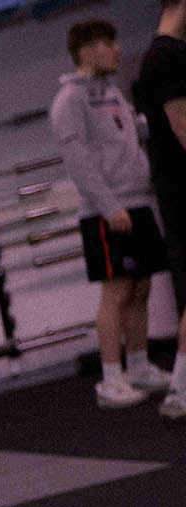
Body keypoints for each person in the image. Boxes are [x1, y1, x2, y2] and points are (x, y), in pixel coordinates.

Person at [52, 18, 172, 408]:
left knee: (141, 288)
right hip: (108, 210)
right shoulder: (70, 101)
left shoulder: (112, 92)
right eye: (110, 43)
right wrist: (110, 206)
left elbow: (132, 132)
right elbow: (79, 162)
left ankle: (138, 366)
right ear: (87, 51)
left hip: (137, 201)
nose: (118, 49)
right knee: (116, 292)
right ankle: (110, 379)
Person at [135, 0, 186, 419]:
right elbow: (183, 126)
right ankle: (182, 391)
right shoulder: (169, 57)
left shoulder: (160, 56)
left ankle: (182, 391)